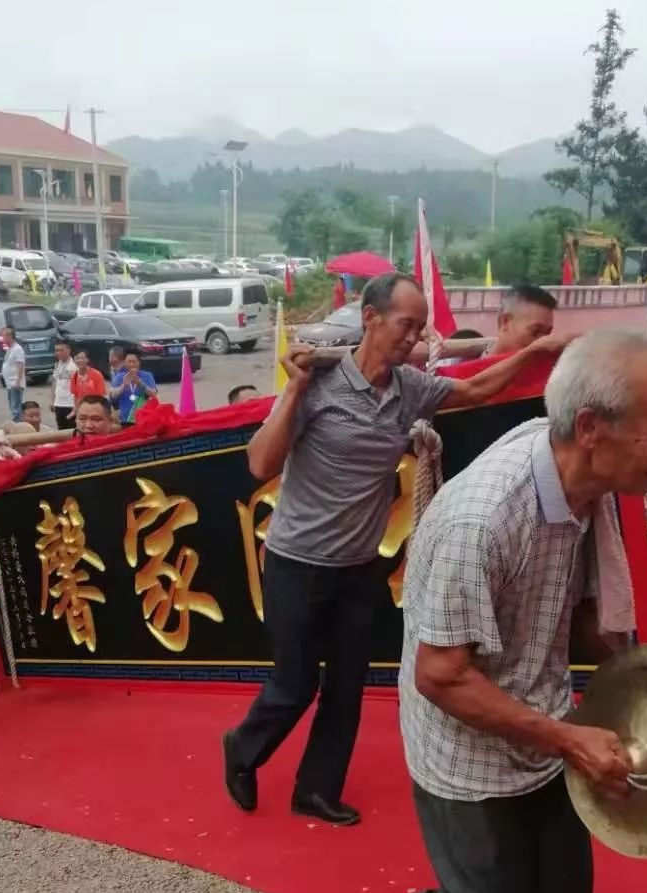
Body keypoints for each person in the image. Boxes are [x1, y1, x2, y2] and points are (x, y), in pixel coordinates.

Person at [298, 331, 647, 893]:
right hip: (465, 745)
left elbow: (579, 608)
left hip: (538, 718)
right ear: (594, 429)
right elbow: (443, 678)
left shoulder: (585, 484)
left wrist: (645, 685)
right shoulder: (484, 517)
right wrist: (570, 737)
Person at [223, 271, 568, 828]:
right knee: (294, 684)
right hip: (296, 565)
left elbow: (478, 389)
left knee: (345, 687)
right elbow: (260, 463)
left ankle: (315, 789)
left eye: (420, 327)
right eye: (406, 325)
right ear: (371, 318)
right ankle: (241, 749)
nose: (414, 337)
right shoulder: (318, 384)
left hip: (358, 570)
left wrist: (541, 350)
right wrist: (293, 389)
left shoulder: (411, 389)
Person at [110, 352, 157, 424]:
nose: (131, 364)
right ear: (125, 363)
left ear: (139, 363)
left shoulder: (147, 376)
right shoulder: (119, 377)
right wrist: (124, 385)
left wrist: (140, 383)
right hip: (124, 418)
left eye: (134, 361)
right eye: (129, 362)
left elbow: (153, 394)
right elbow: (112, 395)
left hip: (143, 417)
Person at [1, 326, 26, 423]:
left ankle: (18, 425)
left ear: (10, 336)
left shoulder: (17, 349)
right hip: (9, 383)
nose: (3, 338)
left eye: (4, 335)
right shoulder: (9, 349)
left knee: (16, 408)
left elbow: (20, 365)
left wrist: (18, 381)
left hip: (15, 383)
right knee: (13, 406)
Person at [49, 341, 76, 430]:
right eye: (56, 350)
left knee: (71, 429)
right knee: (61, 428)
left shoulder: (74, 366)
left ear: (68, 350)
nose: (58, 353)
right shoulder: (57, 364)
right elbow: (54, 382)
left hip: (70, 404)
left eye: (61, 350)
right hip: (59, 403)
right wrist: (52, 400)